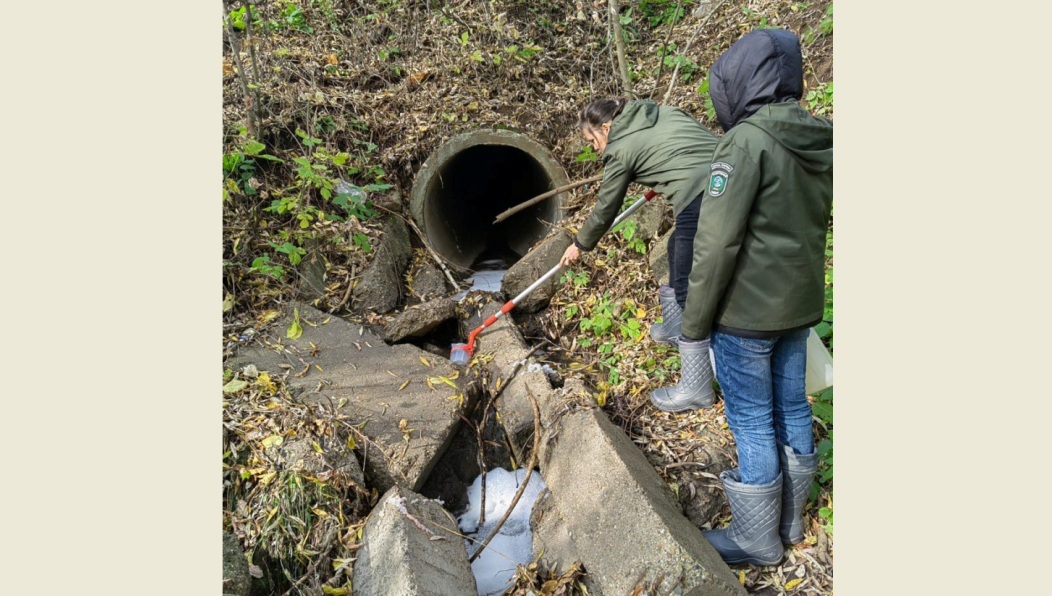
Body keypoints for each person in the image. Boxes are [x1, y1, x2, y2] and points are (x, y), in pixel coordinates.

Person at [651, 29, 833, 566]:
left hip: (746, 314)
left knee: (753, 419)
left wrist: (694, 323)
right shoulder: (822, 137)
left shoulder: (745, 143)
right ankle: (791, 522)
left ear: (739, 84)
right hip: (798, 307)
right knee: (792, 406)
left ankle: (757, 540)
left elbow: (715, 242)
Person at [559, 98, 718, 344]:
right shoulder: (662, 112)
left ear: (606, 128)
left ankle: (701, 373)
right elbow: (689, 148)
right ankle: (674, 327)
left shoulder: (620, 148)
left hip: (698, 194)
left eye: (593, 141)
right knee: (676, 246)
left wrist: (579, 244)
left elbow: (605, 208)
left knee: (691, 293)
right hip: (730, 177)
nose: (596, 148)